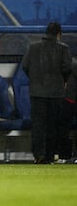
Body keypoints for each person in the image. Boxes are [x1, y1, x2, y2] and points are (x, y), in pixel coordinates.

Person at [22, 22, 72, 164]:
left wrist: (34, 79)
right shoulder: (63, 48)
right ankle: (50, 155)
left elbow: (25, 66)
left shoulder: (33, 48)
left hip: (36, 92)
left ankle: (38, 155)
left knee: (38, 125)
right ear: (59, 34)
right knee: (52, 125)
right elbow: (67, 67)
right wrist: (63, 80)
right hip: (56, 93)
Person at [56, 56, 77, 163]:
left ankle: (64, 156)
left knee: (64, 128)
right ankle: (65, 155)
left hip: (69, 99)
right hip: (70, 99)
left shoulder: (70, 62)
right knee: (64, 127)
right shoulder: (72, 63)